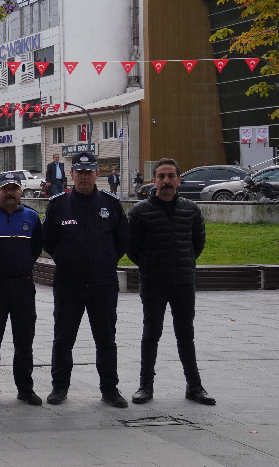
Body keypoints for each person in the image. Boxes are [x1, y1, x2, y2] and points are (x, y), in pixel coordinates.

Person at [42, 151, 130, 407]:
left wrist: (105, 259)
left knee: (106, 338)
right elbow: (48, 241)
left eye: (89, 172)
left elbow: (122, 240)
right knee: (63, 338)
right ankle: (59, 388)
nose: (84, 176)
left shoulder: (111, 204)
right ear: (71, 175)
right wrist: (69, 259)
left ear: (96, 174)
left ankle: (110, 389)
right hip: (69, 283)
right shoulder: (58, 204)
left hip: (103, 284)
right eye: (79, 172)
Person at [128, 157, 213, 405]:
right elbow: (132, 248)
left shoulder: (191, 209)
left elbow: (198, 244)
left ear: (179, 180)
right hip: (153, 282)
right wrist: (149, 265)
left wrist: (185, 262)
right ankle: (145, 386)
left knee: (186, 334)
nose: (166, 181)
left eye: (171, 176)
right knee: (151, 334)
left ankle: (194, 387)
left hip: (184, 283)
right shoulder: (140, 211)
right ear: (154, 180)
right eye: (161, 176)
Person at [0, 172, 44, 405]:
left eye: (14, 188)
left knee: (24, 340)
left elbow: (36, 249)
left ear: (21, 191)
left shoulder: (32, 217)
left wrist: (21, 267)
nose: (10, 192)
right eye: (5, 188)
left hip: (23, 286)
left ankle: (25, 388)